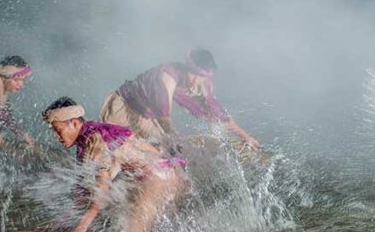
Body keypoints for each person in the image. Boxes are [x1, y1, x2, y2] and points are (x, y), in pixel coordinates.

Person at [42, 97, 185, 232]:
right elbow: (83, 194)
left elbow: (101, 191)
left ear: (74, 123)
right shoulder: (87, 138)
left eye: (58, 130)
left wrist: (81, 228)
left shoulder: (96, 141)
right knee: (125, 229)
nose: (56, 137)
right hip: (159, 174)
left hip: (159, 177)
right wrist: (58, 225)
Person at [100, 49, 258, 154]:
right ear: (187, 67)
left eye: (201, 76)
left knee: (164, 156)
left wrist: (245, 136)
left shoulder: (202, 84)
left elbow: (218, 114)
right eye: (193, 74)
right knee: (116, 152)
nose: (195, 80)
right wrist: (177, 139)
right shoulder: (168, 76)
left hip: (148, 117)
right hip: (123, 107)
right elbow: (164, 115)